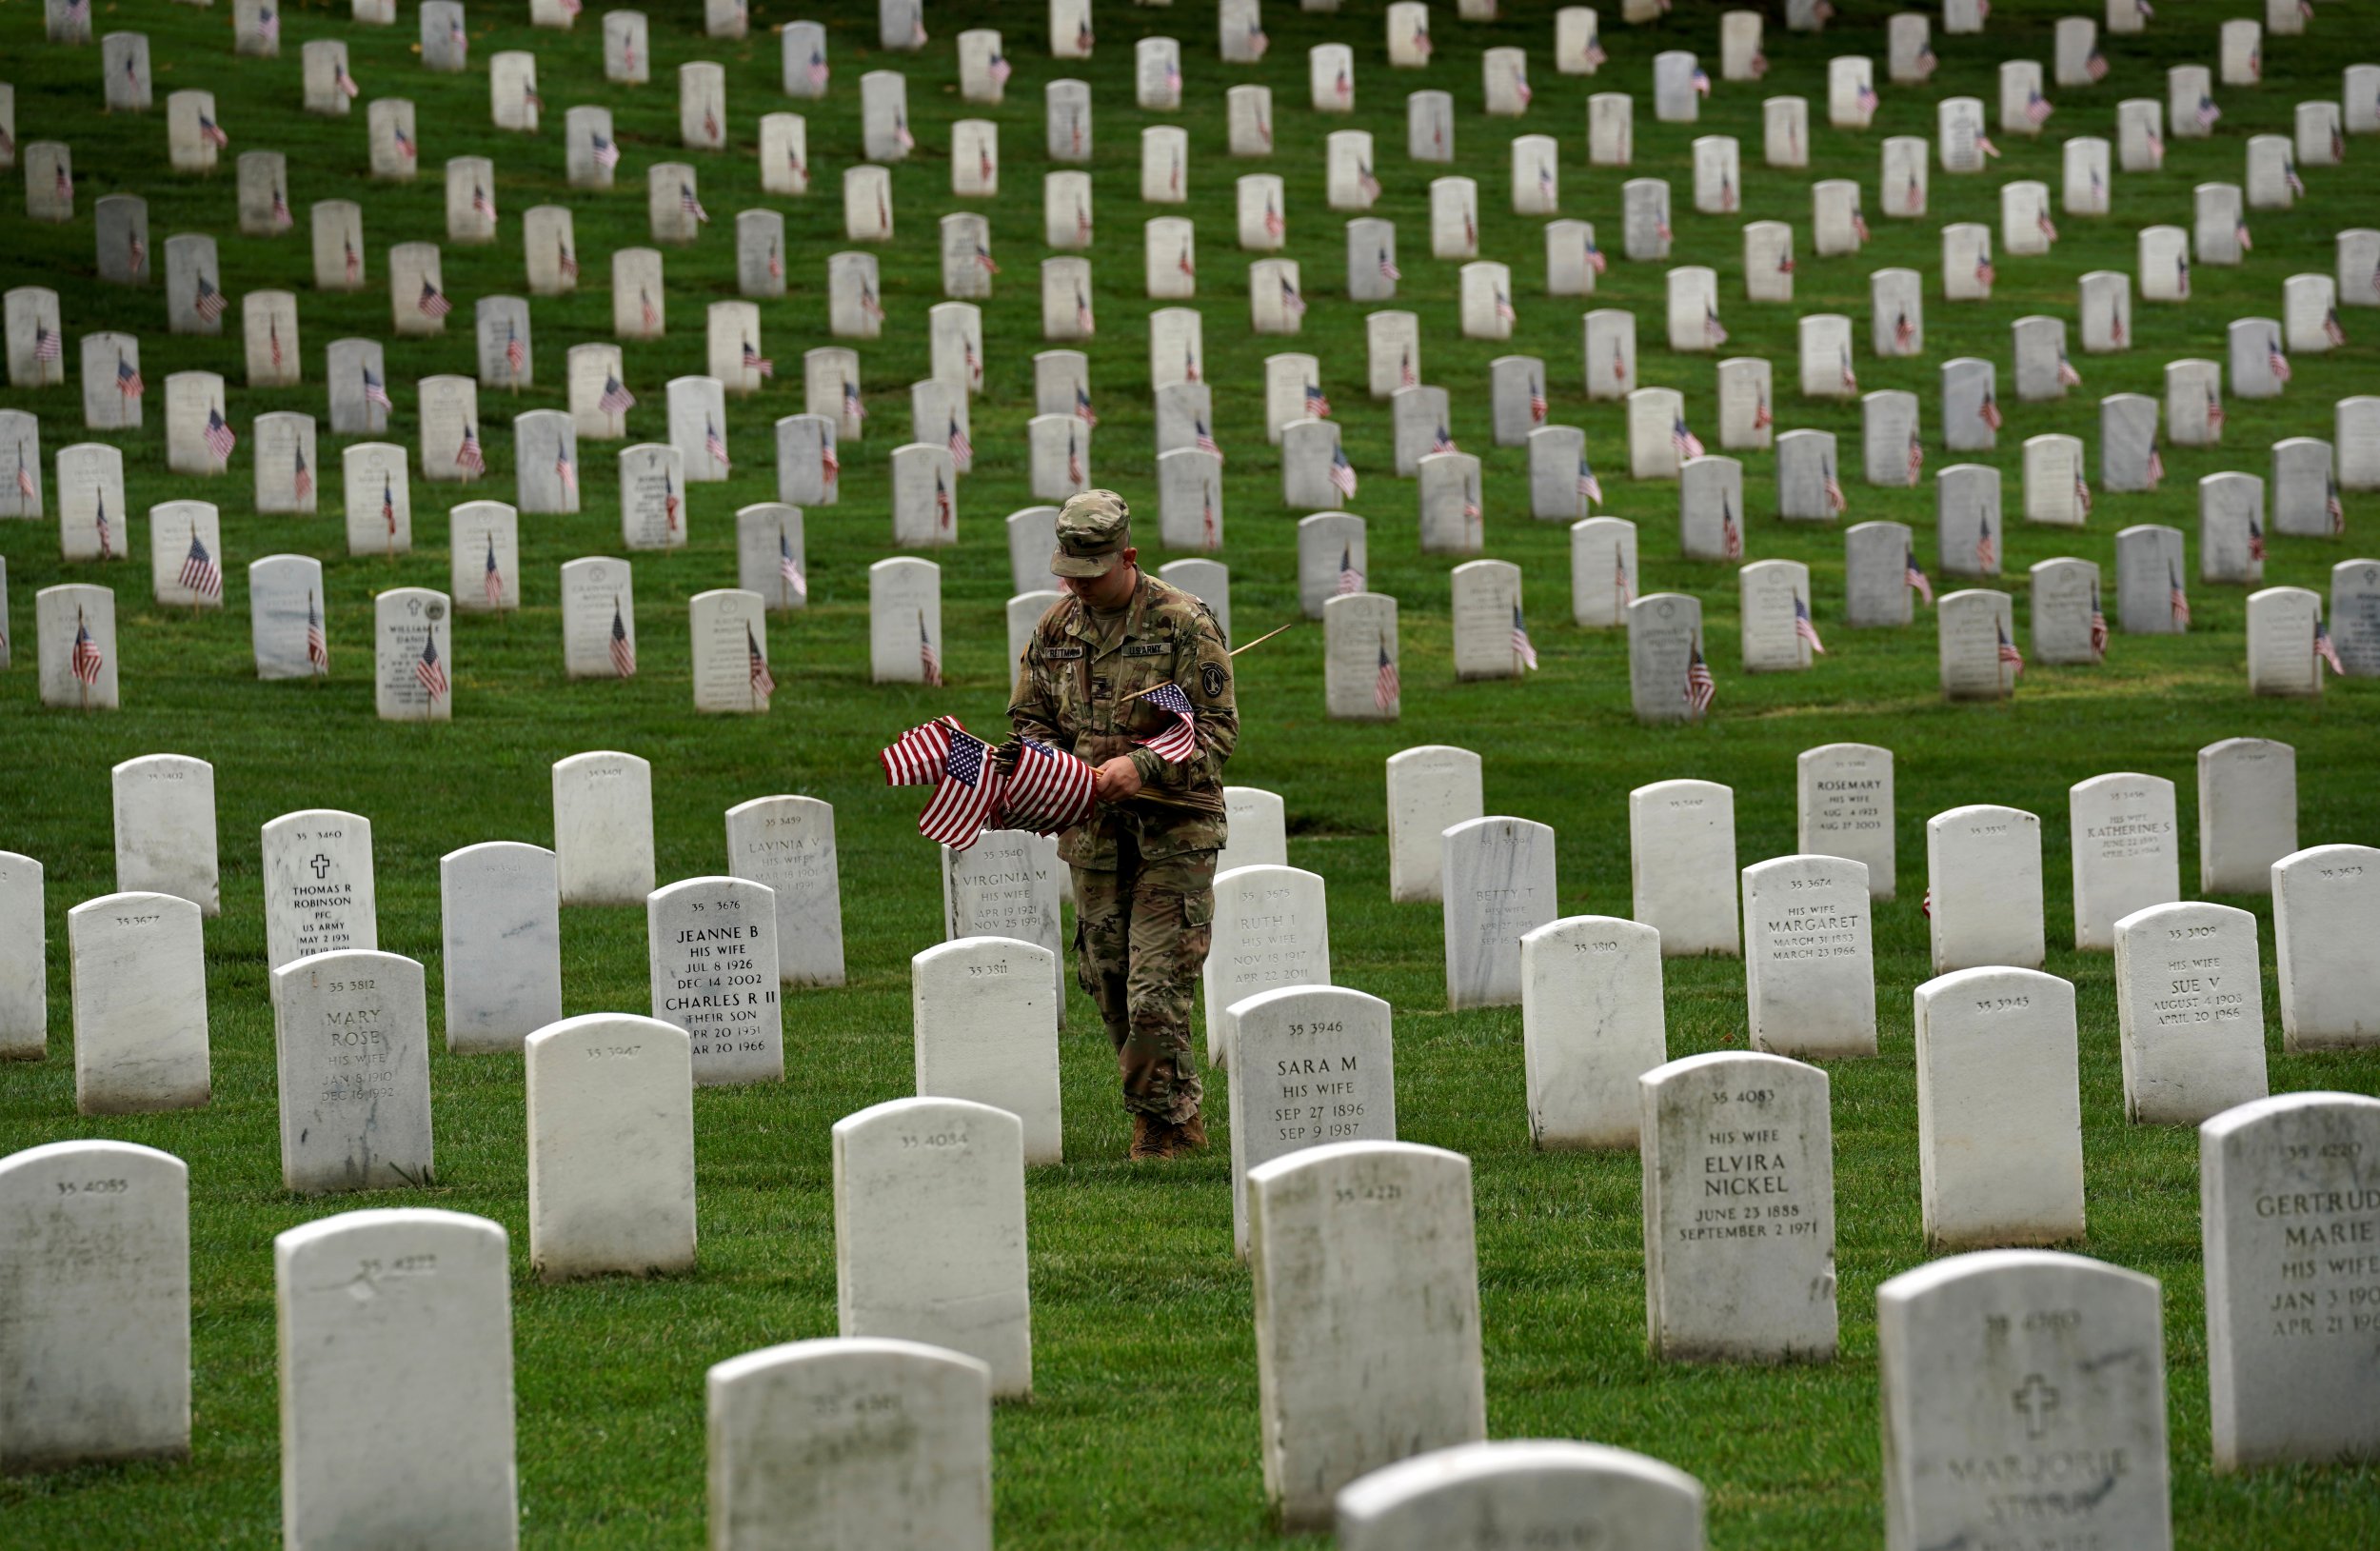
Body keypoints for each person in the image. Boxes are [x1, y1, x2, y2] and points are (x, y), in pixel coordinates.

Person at [1009, 489, 1238, 1160]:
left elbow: (1218, 730)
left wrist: (1142, 766)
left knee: (1154, 984)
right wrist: (1048, 761)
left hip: (1175, 832)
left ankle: (1164, 1125)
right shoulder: (1055, 631)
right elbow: (1029, 721)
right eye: (1067, 572)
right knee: (1109, 979)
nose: (1076, 584)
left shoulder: (1183, 623)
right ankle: (1167, 1110)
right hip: (1094, 836)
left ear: (1128, 557)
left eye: (1092, 571)